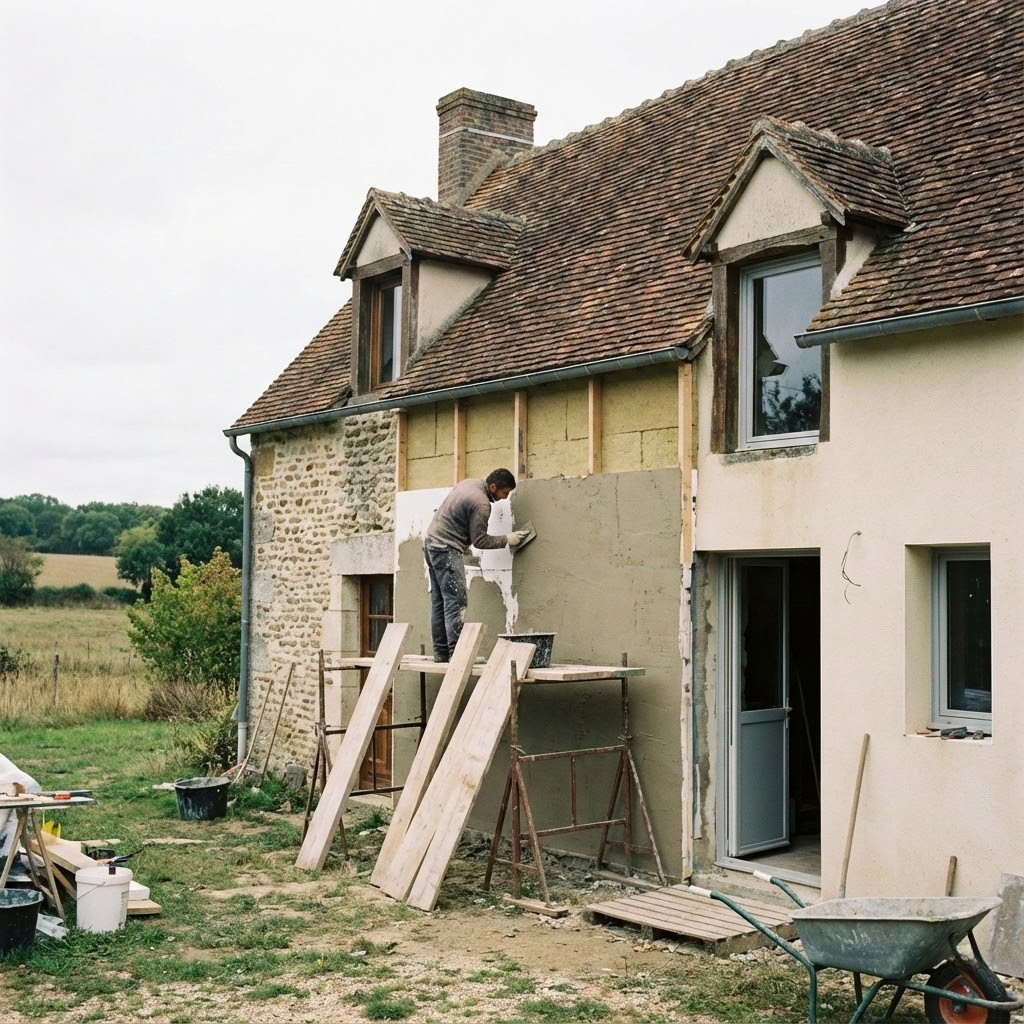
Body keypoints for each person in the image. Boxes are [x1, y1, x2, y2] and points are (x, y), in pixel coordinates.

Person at [424, 468, 531, 662]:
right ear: (493, 487)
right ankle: (457, 656)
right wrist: (508, 539)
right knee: (456, 602)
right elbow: (480, 540)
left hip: (432, 542)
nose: (504, 499)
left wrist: (462, 544)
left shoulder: (469, 483)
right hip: (446, 549)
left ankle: (441, 654)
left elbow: (457, 519)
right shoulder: (482, 503)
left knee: (441, 602)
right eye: (504, 493)